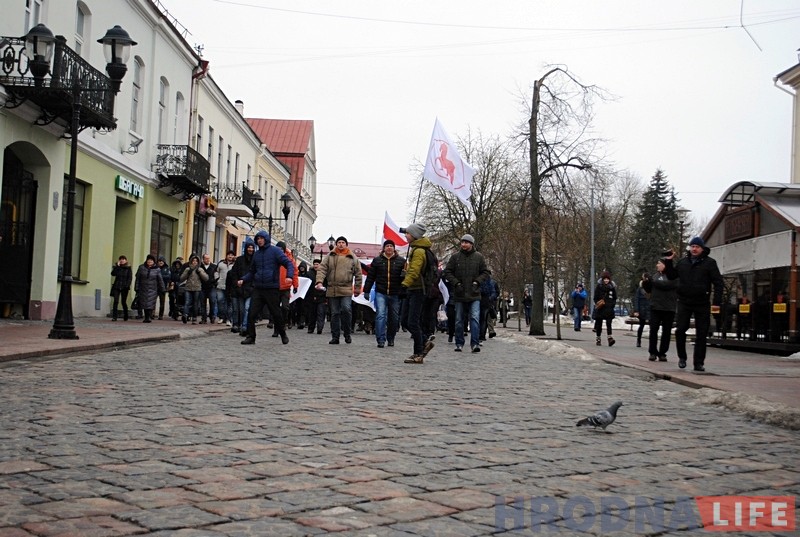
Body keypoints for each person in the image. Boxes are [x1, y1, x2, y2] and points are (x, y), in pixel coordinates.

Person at [665, 236, 723, 372]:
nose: (694, 249)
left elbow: (718, 283)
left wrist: (717, 302)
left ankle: (698, 363)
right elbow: (671, 276)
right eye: (692, 246)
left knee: (702, 333)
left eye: (697, 247)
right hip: (684, 301)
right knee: (680, 330)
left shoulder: (709, 263)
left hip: (702, 302)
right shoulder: (683, 262)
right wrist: (668, 262)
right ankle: (682, 358)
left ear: (702, 249)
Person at [238, 230, 294, 345]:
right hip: (258, 289)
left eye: (261, 238)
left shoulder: (275, 251)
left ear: (266, 239)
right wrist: (243, 279)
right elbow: (252, 272)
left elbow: (289, 264)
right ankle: (251, 337)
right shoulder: (256, 255)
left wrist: (289, 276)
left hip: (271, 288)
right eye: (257, 239)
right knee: (251, 314)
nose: (259, 241)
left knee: (276, 313)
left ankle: (283, 334)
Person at [443, 233, 491, 353]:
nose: (464, 244)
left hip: (474, 294)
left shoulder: (479, 257)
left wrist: (477, 282)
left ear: (471, 244)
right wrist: (456, 283)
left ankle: (475, 343)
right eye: (462, 242)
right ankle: (459, 343)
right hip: (459, 294)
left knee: (474, 318)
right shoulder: (455, 257)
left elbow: (485, 272)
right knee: (459, 320)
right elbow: (447, 272)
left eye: (466, 242)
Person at [399, 223, 436, 363]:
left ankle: (418, 353)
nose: (406, 235)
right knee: (405, 321)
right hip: (413, 288)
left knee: (412, 321)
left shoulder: (419, 251)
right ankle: (425, 342)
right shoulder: (415, 249)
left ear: (414, 235)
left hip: (418, 289)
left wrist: (404, 284)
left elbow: (415, 271)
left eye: (408, 233)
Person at [314, 236, 362, 344]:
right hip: (333, 288)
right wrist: (319, 281)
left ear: (346, 244)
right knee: (334, 313)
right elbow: (322, 269)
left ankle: (347, 333)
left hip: (346, 288)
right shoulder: (330, 256)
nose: (341, 244)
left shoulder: (352, 257)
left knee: (346, 309)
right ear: (336, 244)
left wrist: (358, 288)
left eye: (343, 242)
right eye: (339, 242)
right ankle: (335, 337)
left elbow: (358, 273)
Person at [363, 239, 406, 348]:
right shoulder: (377, 261)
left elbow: (406, 279)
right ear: (384, 248)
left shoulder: (401, 261)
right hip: (381, 292)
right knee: (380, 315)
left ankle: (391, 337)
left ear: (394, 248)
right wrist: (366, 290)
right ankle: (380, 339)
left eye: (391, 246)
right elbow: (371, 276)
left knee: (394, 317)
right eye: (387, 246)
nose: (389, 248)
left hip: (395, 293)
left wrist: (404, 276)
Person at [643, 258, 677, 361]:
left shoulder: (672, 275)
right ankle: (652, 352)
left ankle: (662, 353)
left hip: (668, 308)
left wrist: (653, 281)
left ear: (665, 265)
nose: (657, 265)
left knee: (666, 332)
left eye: (659, 263)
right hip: (655, 307)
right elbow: (649, 289)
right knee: (653, 330)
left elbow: (666, 285)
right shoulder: (655, 276)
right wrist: (646, 282)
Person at [230, 238, 255, 335]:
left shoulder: (255, 260)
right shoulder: (240, 260)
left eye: (252, 247)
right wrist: (237, 283)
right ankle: (240, 325)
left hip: (251, 289)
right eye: (249, 247)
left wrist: (253, 286)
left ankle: (244, 326)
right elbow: (234, 273)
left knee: (247, 308)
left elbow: (255, 274)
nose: (250, 249)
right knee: (240, 309)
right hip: (240, 289)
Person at [275, 242, 299, 334]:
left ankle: (283, 323)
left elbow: (295, 273)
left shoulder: (290, 259)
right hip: (275, 287)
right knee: (275, 309)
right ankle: (276, 329)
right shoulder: (273, 257)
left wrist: (295, 285)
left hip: (286, 287)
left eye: (281, 249)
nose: (280, 251)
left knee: (285, 307)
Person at [135, 254, 165, 323]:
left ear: (153, 261)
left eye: (151, 260)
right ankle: (146, 317)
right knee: (144, 303)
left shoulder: (157, 269)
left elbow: (160, 280)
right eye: (148, 260)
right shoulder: (141, 267)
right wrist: (136, 287)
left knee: (151, 304)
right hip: (143, 288)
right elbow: (138, 278)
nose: (149, 261)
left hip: (153, 289)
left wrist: (162, 288)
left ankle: (149, 317)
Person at [181, 254, 208, 324]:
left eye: (196, 261)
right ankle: (185, 315)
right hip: (188, 288)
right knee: (187, 302)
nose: (194, 262)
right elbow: (181, 278)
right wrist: (187, 273)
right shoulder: (187, 269)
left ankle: (194, 317)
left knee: (195, 303)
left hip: (197, 288)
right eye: (193, 261)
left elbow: (206, 278)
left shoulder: (200, 269)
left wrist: (200, 273)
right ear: (191, 261)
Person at [593, 271, 617, 346]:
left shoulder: (612, 287)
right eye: (605, 279)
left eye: (607, 279)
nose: (606, 280)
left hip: (609, 308)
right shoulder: (599, 287)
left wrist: (612, 304)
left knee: (609, 323)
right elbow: (595, 297)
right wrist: (598, 303)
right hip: (601, 308)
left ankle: (610, 338)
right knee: (599, 324)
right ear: (602, 279)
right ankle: (598, 338)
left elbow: (615, 297)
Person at [305, 258, 327, 334]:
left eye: (317, 264)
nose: (315, 265)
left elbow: (327, 284)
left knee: (321, 313)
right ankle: (311, 328)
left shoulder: (324, 274)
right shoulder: (309, 273)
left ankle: (319, 328)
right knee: (312, 313)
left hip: (322, 296)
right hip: (311, 296)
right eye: (314, 264)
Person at [110, 255, 133, 321]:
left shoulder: (128, 268)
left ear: (126, 260)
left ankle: (126, 315)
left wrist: (127, 285)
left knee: (123, 301)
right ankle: (114, 316)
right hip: (117, 286)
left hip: (124, 287)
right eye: (121, 259)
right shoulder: (117, 267)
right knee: (116, 301)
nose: (122, 260)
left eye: (123, 259)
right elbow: (113, 274)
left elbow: (130, 278)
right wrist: (117, 266)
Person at [216, 250, 236, 325]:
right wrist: (217, 279)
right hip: (221, 285)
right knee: (220, 301)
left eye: (232, 255)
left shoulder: (235, 264)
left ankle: (228, 319)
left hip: (231, 287)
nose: (230, 256)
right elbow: (216, 272)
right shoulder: (221, 264)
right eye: (229, 255)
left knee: (229, 303)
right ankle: (221, 317)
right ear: (226, 256)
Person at [632, 273, 651, 347]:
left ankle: (651, 342)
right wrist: (637, 310)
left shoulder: (651, 288)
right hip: (642, 309)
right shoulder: (640, 289)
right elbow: (636, 299)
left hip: (649, 309)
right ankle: (638, 340)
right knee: (641, 325)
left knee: (652, 326)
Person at [199, 253, 218, 324]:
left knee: (212, 301)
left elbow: (217, 276)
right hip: (202, 287)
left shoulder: (214, 266)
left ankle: (212, 316)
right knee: (202, 303)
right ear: (203, 259)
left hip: (211, 287)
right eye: (206, 258)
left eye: (208, 258)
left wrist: (214, 282)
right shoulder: (200, 267)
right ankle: (203, 318)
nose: (207, 260)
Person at [156, 256, 171, 320]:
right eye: (159, 261)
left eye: (162, 261)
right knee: (153, 301)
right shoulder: (155, 268)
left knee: (162, 302)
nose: (160, 262)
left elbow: (169, 277)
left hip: (163, 287)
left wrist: (160, 276)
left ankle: (160, 315)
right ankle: (152, 314)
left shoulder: (167, 269)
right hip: (155, 287)